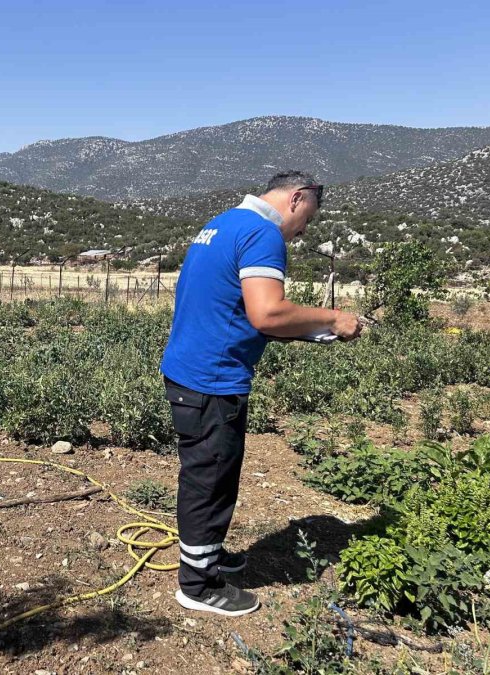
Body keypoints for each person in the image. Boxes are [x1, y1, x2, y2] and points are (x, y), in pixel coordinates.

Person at [160, 171, 362, 616]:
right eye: (308, 217)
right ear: (297, 198)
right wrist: (332, 319)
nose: (305, 229)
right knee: (210, 479)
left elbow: (236, 311)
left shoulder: (223, 223)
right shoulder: (263, 234)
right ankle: (197, 585)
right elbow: (268, 313)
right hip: (213, 378)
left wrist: (313, 334)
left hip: (190, 368)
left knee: (209, 472)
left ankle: (206, 553)